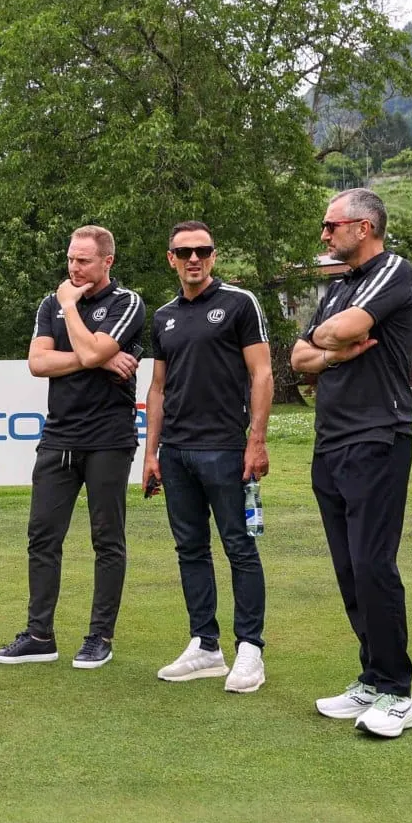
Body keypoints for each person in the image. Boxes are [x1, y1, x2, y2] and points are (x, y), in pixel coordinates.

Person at [290, 188, 412, 738]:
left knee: (372, 564)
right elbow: (298, 357)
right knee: (348, 568)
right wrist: (332, 351)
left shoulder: (394, 270)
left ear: (363, 227)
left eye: (332, 225)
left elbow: (337, 331)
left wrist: (330, 340)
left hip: (377, 437)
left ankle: (397, 693)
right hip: (331, 441)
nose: (324, 234)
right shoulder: (341, 287)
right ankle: (371, 678)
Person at [0, 225, 146, 670]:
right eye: (70, 259)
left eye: (83, 260)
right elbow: (38, 362)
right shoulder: (49, 303)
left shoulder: (126, 302)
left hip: (108, 438)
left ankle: (99, 637)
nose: (73, 268)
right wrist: (98, 357)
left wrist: (72, 310)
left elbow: (95, 352)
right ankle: (39, 635)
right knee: (42, 536)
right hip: (59, 436)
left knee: (107, 539)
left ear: (106, 262)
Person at [142, 221, 273, 693]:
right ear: (171, 259)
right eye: (184, 252)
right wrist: (151, 453)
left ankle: (250, 649)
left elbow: (262, 374)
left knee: (239, 546)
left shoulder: (239, 303)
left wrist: (257, 440)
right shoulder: (163, 316)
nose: (193, 259)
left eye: (202, 250)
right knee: (190, 549)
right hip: (176, 452)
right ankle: (205, 645)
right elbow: (158, 388)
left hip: (225, 448)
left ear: (213, 255)